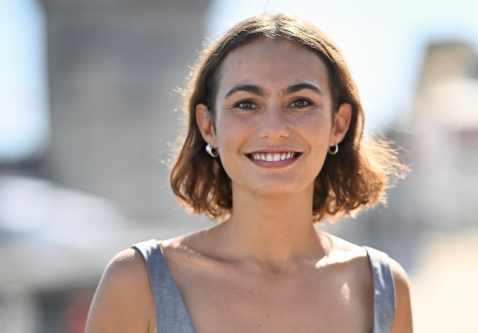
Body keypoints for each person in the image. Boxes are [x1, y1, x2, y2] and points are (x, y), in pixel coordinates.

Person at [86, 13, 413, 333]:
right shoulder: (137, 281)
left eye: (299, 102)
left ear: (338, 124)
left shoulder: (383, 289)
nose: (274, 130)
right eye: (246, 103)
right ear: (209, 126)